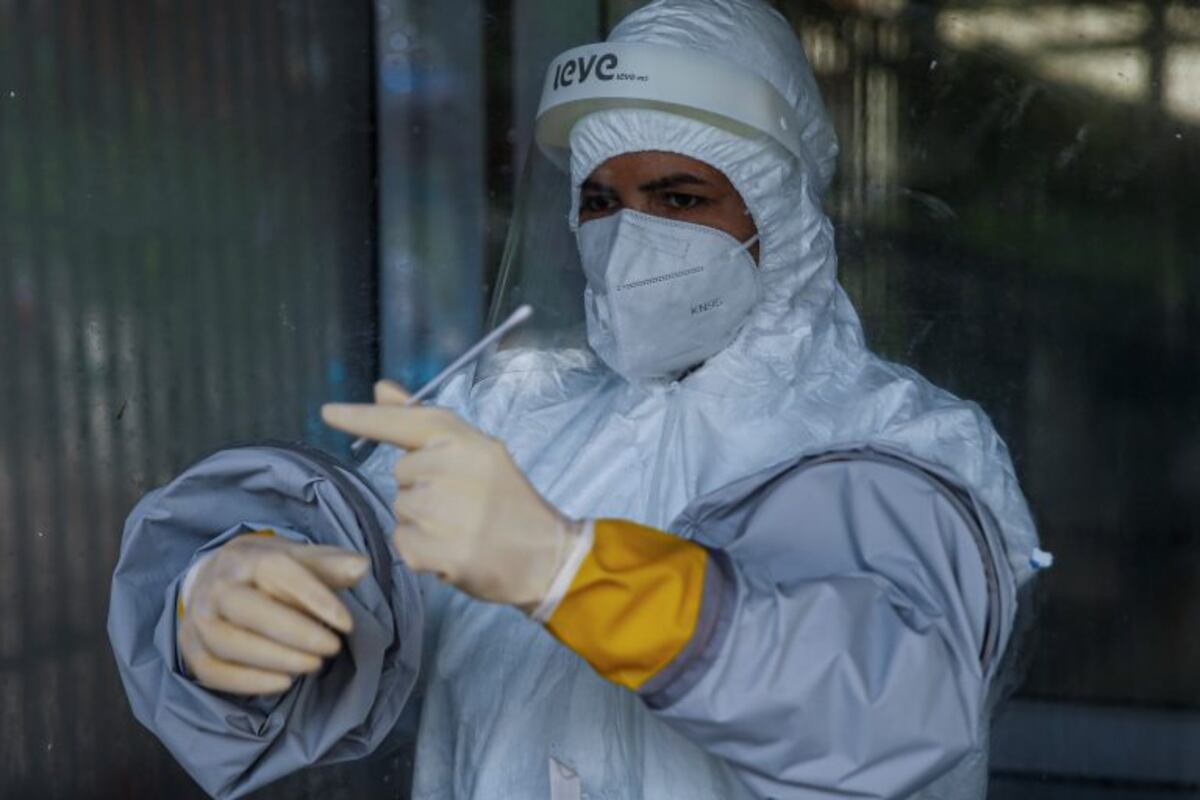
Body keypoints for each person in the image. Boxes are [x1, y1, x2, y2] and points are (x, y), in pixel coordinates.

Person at [108, 1, 1050, 798]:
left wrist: (568, 572)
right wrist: (223, 593)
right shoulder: (512, 409)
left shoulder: (903, 443)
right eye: (601, 200)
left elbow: (887, 697)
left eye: (679, 198)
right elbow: (337, 567)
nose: (630, 235)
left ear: (783, 212)